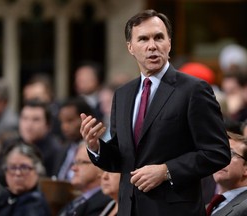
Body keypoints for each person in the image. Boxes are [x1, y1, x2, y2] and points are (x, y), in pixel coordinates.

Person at [80, 9, 230, 216]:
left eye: (159, 37)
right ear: (130, 47)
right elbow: (123, 159)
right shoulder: (122, 94)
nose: (152, 46)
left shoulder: (194, 90)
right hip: (129, 209)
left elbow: (217, 153)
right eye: (143, 39)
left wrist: (166, 171)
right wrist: (96, 147)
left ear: (169, 43)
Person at [0, 141, 52, 216]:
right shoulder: (1, 199)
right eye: (12, 167)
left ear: (37, 171)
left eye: (24, 168)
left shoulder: (35, 205)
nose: (17, 173)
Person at [2, 99, 62, 178]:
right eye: (25, 118)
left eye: (36, 120)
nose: (29, 125)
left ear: (48, 125)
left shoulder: (56, 152)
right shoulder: (9, 145)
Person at [58, 142, 111, 216]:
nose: (73, 168)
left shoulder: (104, 203)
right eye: (74, 163)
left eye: (81, 162)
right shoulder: (76, 201)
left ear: (100, 167)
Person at [207, 132, 247, 216]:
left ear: (246, 168)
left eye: (231, 154)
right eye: (218, 153)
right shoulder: (206, 206)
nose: (220, 159)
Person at [56, 97, 94, 181]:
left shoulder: (97, 150)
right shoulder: (63, 149)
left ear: (86, 118)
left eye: (70, 121)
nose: (64, 127)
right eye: (62, 122)